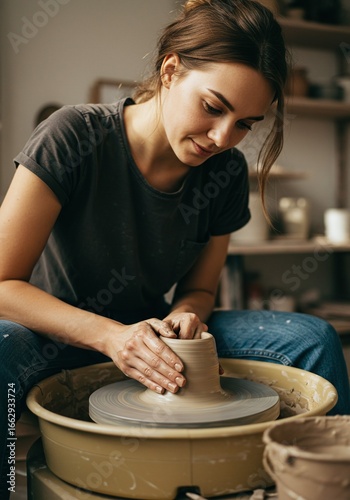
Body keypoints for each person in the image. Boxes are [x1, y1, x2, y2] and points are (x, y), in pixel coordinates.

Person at [1, 0, 349, 497]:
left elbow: (201, 288)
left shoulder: (225, 174)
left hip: (155, 337)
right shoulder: (73, 135)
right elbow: (1, 284)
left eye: (247, 123)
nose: (223, 138)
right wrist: (110, 337)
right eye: (213, 107)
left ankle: (321, 484)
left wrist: (188, 312)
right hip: (50, 337)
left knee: (311, 338)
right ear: (170, 72)